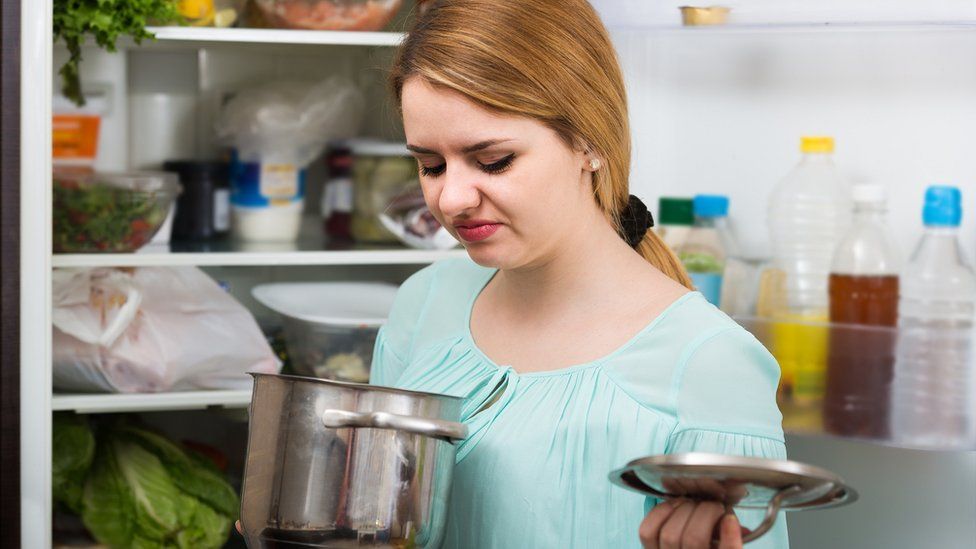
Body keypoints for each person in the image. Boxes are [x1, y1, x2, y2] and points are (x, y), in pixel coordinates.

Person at [370, 1, 788, 548]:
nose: (451, 198)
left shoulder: (710, 365)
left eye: (493, 161)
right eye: (430, 165)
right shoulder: (424, 303)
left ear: (588, 141)